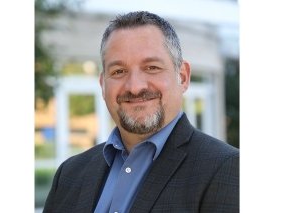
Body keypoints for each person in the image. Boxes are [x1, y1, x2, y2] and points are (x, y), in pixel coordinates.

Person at [43, 11, 239, 213]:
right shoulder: (69, 175)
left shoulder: (227, 170)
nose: (135, 87)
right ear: (103, 85)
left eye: (152, 67)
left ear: (183, 77)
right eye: (118, 71)